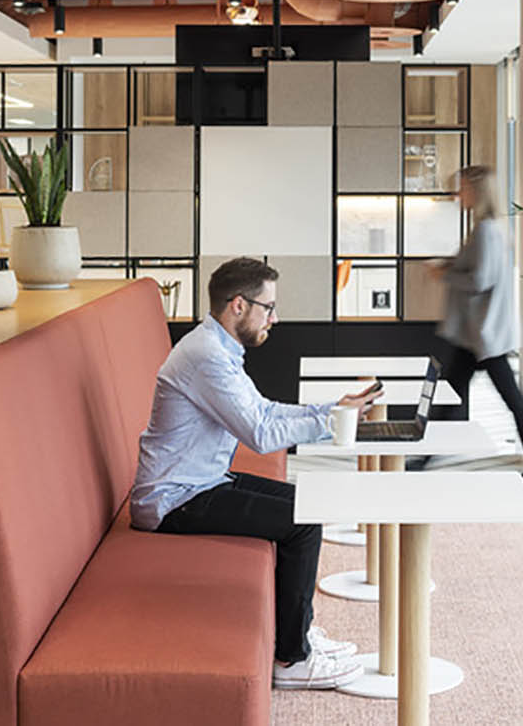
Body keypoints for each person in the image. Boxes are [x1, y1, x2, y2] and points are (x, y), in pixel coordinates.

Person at [129, 257, 383, 690]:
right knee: (303, 522)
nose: (275, 318)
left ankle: (295, 632)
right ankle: (291, 660)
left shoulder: (219, 347)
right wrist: (330, 423)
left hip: (202, 482)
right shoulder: (206, 356)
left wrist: (333, 410)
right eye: (269, 307)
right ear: (239, 305)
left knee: (305, 503)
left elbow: (263, 410)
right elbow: (261, 434)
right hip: (174, 500)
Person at [425, 165, 523, 492]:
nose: (458, 194)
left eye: (463, 188)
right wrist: (451, 266)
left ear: (477, 192)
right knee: (452, 392)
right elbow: (478, 269)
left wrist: (445, 275)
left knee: (512, 400)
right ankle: (426, 457)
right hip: (477, 334)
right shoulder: (488, 228)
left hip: (485, 336)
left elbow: (481, 279)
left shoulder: (485, 231)